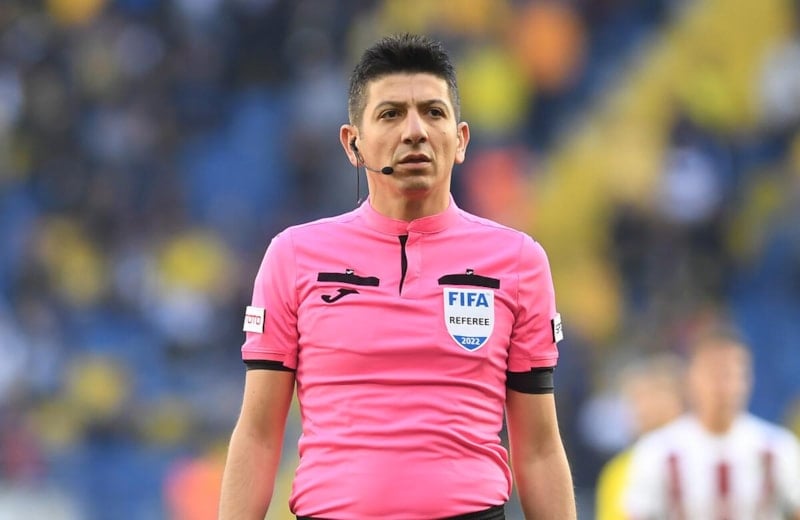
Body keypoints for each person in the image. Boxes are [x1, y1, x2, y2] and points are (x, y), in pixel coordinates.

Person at [218, 33, 576, 520]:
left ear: (461, 139)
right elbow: (259, 434)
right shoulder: (293, 256)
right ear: (353, 143)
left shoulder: (517, 260)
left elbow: (539, 449)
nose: (415, 131)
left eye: (433, 112)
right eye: (390, 114)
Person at [623, 329, 800, 520]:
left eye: (731, 374)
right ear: (691, 378)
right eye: (712, 374)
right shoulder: (657, 450)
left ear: (749, 380)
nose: (722, 387)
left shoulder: (779, 447)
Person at [594, 353, 685, 520]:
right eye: (635, 398)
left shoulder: (702, 451)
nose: (643, 407)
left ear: (677, 399)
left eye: (653, 394)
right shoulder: (618, 471)